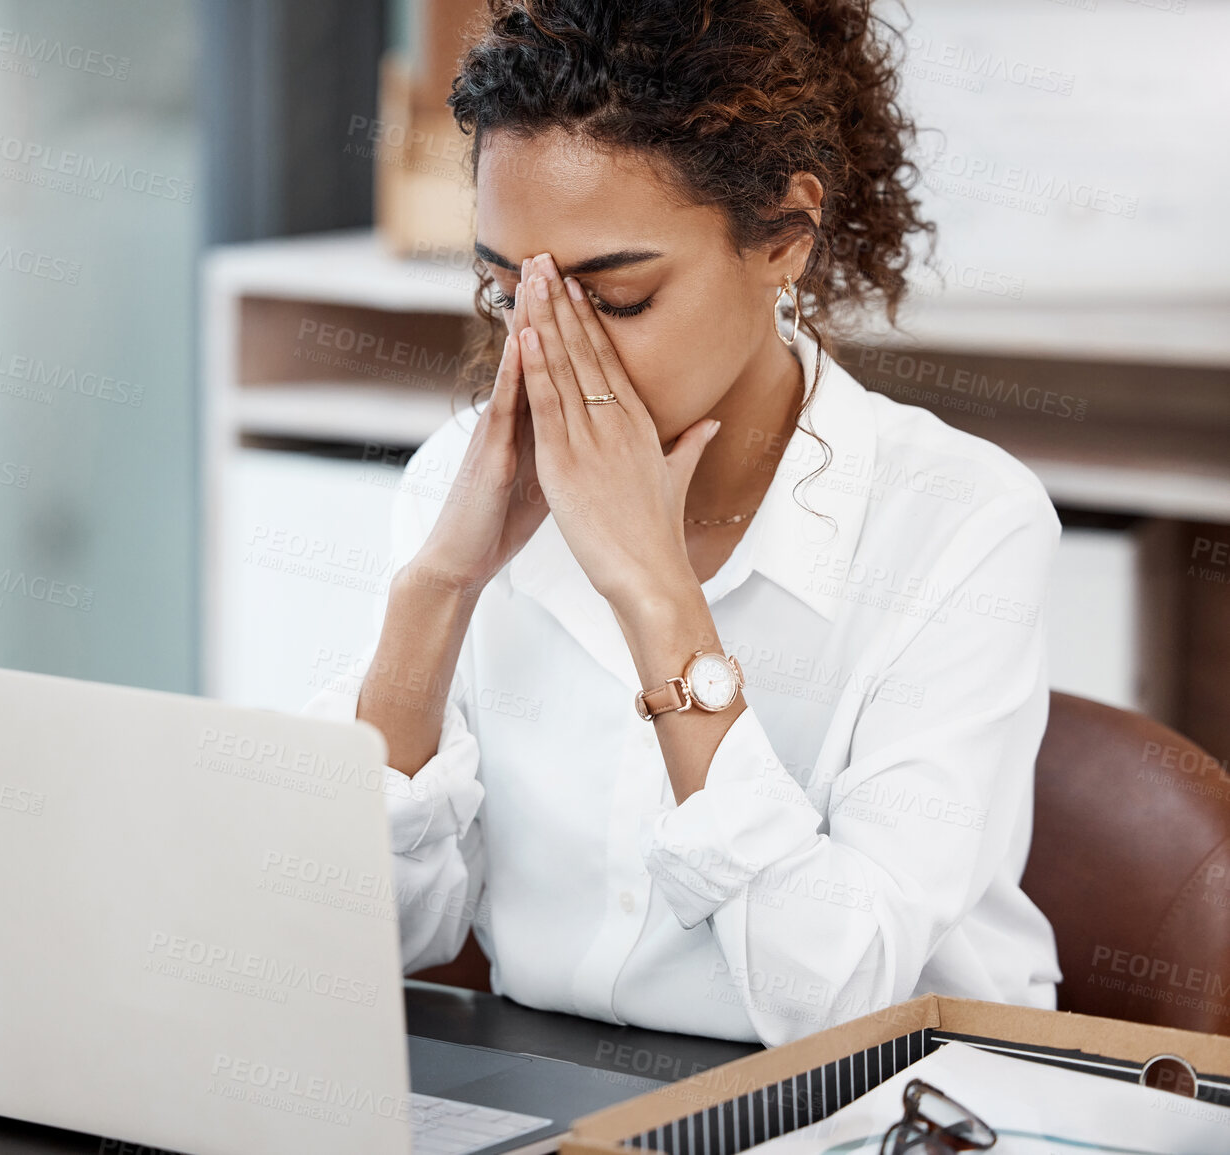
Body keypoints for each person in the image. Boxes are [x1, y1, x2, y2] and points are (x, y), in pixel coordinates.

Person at [302, 0, 1061, 1047]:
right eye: (502, 293)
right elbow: (346, 938)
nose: (544, 352)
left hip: (891, 1102)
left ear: (784, 239)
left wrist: (658, 596)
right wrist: (437, 591)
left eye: (615, 301)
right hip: (563, 1093)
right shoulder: (459, 486)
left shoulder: (965, 523)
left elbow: (839, 1003)